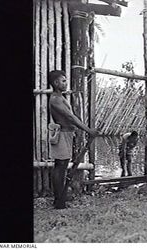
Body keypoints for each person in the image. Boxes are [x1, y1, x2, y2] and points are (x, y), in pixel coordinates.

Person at [48, 70, 99, 209]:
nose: (66, 83)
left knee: (62, 166)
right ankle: (59, 201)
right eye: (63, 81)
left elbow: (70, 117)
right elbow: (70, 117)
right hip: (62, 135)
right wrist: (88, 130)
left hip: (66, 134)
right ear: (55, 83)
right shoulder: (55, 99)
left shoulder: (60, 97)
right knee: (60, 166)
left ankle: (59, 199)